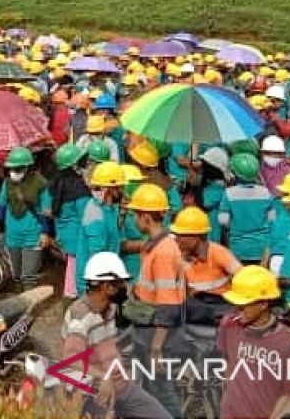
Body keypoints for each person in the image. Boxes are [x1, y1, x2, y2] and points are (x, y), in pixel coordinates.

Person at [60, 252, 170, 419]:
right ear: (106, 287)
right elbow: (71, 360)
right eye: (120, 283)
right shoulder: (81, 316)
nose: (124, 287)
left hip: (121, 386)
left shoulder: (111, 309)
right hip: (93, 393)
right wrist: (102, 376)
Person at [126, 183, 184, 418]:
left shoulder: (164, 251)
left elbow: (168, 306)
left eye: (135, 214)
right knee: (152, 388)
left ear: (146, 217)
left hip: (158, 334)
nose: (133, 220)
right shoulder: (156, 244)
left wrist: (156, 348)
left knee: (161, 390)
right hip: (148, 328)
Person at [216, 265, 290, 419]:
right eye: (236, 304)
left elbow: (288, 392)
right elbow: (228, 363)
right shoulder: (228, 325)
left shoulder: (288, 340)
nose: (237, 308)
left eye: (244, 305)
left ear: (263, 304)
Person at [172, 206, 241, 324]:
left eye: (181, 235)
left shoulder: (218, 253)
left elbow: (243, 276)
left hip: (220, 308)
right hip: (193, 309)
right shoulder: (177, 255)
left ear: (196, 237)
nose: (177, 239)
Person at [0, 147, 49, 286]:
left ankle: (29, 301)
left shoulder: (41, 184)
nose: (14, 172)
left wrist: (45, 232)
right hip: (12, 234)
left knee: (28, 276)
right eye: (12, 168)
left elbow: (45, 210)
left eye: (18, 169)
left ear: (27, 167)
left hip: (33, 234)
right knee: (15, 274)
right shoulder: (7, 183)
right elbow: (1, 204)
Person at [45, 142, 91, 298]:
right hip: (78, 236)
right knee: (77, 268)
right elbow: (86, 215)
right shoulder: (79, 186)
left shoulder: (54, 183)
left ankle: (71, 292)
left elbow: (46, 210)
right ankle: (75, 295)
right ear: (74, 164)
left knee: (72, 264)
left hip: (63, 234)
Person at [75, 161, 125, 296]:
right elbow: (96, 258)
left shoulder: (109, 208)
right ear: (109, 189)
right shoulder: (96, 216)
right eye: (120, 187)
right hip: (95, 285)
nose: (123, 190)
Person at [218, 152, 276, 265]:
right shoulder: (265, 192)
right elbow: (272, 219)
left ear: (235, 174)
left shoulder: (229, 194)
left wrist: (236, 225)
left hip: (238, 248)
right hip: (262, 249)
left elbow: (223, 220)